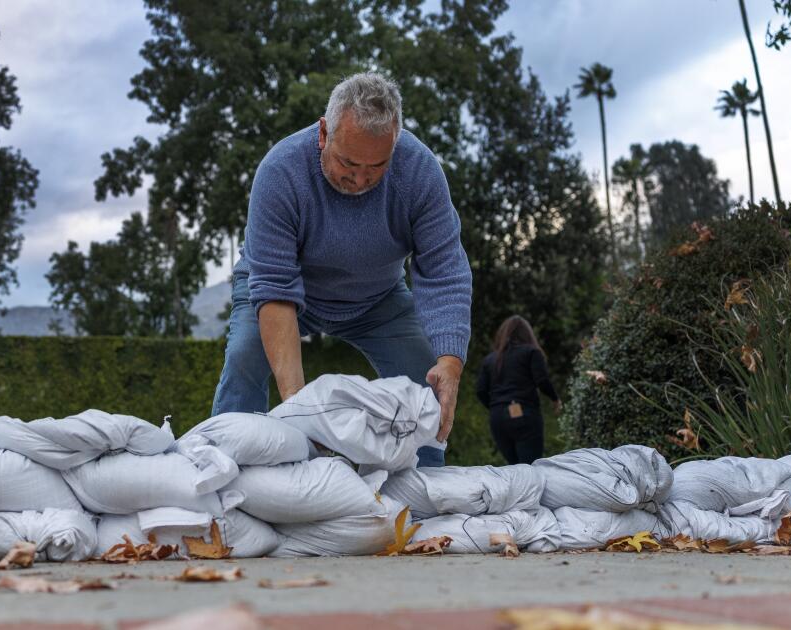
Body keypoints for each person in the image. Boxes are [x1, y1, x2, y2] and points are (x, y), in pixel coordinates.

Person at [210, 72, 473, 468]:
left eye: (377, 166)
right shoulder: (280, 171)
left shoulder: (419, 172)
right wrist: (300, 413)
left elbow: (444, 270)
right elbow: (276, 287)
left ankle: (427, 484)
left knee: (427, 382)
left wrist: (450, 361)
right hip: (281, 290)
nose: (360, 179)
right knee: (245, 357)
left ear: (395, 145)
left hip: (378, 298)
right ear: (323, 134)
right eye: (348, 162)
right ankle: (221, 466)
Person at [475, 315, 561, 465]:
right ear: (527, 334)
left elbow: (480, 390)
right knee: (530, 467)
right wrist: (555, 399)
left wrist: (497, 407)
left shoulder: (490, 359)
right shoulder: (531, 352)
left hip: (497, 419)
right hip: (524, 413)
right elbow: (542, 381)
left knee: (514, 469)